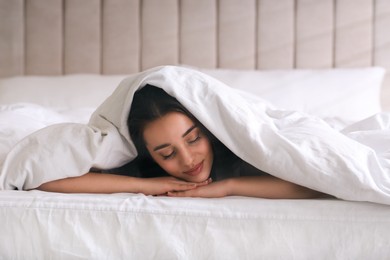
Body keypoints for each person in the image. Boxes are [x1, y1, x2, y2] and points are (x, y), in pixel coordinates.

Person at [37, 84, 325, 199]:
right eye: (166, 153)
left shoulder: (237, 153)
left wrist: (228, 187)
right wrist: (146, 185)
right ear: (148, 152)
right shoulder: (141, 165)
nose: (188, 160)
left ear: (207, 128)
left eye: (194, 139)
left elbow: (317, 184)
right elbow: (42, 178)